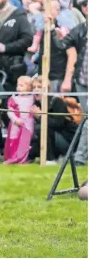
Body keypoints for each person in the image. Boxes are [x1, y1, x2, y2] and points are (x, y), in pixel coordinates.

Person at [48, 12, 88, 166]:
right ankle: (80, 157)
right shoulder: (80, 29)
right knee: (86, 120)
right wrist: (53, 31)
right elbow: (62, 45)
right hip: (82, 82)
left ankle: (80, 157)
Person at [28, 76, 78, 164]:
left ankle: (50, 159)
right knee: (32, 150)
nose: (36, 90)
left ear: (47, 89)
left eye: (39, 87)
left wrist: (40, 116)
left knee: (41, 128)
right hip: (51, 139)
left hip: (67, 141)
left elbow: (58, 125)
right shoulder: (36, 104)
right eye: (34, 87)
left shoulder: (57, 101)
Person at [3, 76, 35, 164]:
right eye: (18, 85)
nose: (19, 88)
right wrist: (15, 120)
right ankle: (12, 157)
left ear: (29, 88)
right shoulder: (14, 98)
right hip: (16, 124)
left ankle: (22, 159)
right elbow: (10, 111)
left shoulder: (32, 98)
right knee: (14, 140)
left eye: (22, 86)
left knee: (25, 142)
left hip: (27, 124)